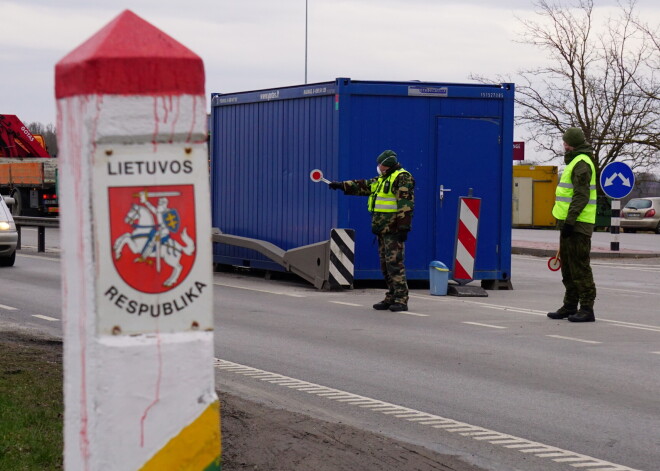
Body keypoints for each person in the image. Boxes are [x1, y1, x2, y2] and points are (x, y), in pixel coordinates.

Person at [329, 150, 415, 312]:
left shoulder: (402, 178)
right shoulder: (383, 178)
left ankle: (401, 299)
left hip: (393, 229)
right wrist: (341, 185)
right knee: (385, 265)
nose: (378, 166)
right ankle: (391, 296)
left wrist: (403, 227)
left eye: (380, 163)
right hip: (382, 229)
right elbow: (364, 186)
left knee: (395, 264)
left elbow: (406, 203)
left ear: (386, 165)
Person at [547, 127, 597, 322]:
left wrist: (570, 221)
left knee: (579, 267)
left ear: (572, 144)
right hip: (570, 223)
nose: (563, 144)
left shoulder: (582, 163)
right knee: (567, 267)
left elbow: (581, 196)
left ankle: (586, 308)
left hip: (578, 224)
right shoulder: (575, 161)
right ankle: (569, 306)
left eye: (566, 142)